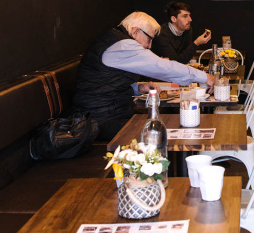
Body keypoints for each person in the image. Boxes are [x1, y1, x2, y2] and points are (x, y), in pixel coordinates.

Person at [73, 11, 215, 139]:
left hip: (105, 114)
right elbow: (162, 67)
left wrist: (138, 88)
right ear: (135, 31)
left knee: (166, 123)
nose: (149, 46)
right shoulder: (123, 45)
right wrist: (204, 77)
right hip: (98, 121)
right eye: (149, 39)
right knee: (164, 131)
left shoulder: (114, 39)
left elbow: (103, 83)